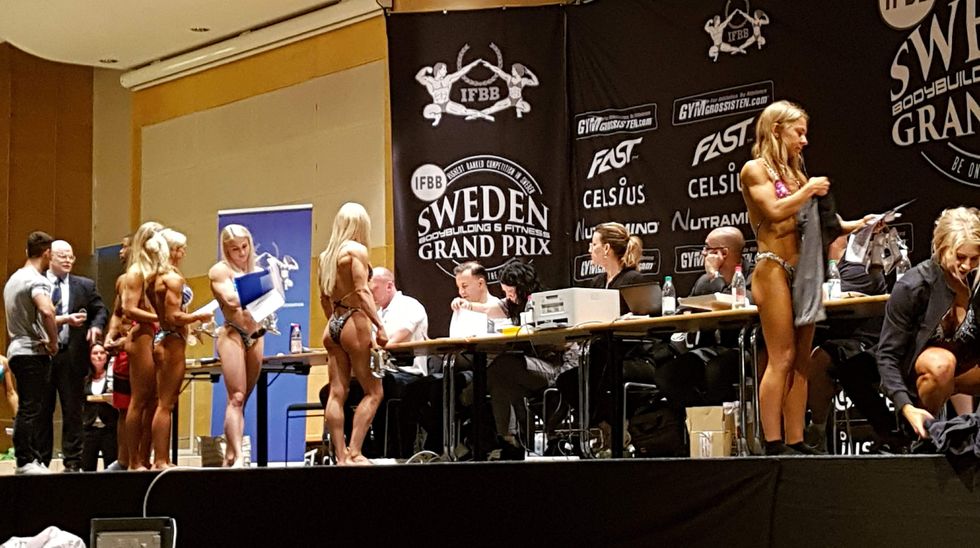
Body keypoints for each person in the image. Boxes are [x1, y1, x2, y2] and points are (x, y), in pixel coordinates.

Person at [740, 100, 873, 455]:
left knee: (801, 359)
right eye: (798, 132)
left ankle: (796, 439)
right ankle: (772, 441)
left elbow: (827, 224)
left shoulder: (798, 176)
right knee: (781, 356)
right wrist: (808, 190)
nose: (804, 140)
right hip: (773, 268)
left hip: (805, 273)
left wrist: (860, 224)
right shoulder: (755, 170)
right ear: (776, 129)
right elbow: (773, 210)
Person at [878, 207, 980, 440]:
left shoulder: (977, 283)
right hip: (926, 376)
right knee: (942, 364)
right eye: (960, 257)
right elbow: (887, 356)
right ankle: (922, 436)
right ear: (942, 248)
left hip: (965, 371)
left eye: (974, 258)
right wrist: (906, 407)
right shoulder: (914, 285)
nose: (966, 266)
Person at [806, 234, 900, 452]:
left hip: (864, 338)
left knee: (825, 361)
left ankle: (816, 432)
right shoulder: (813, 265)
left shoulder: (857, 265)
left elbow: (826, 296)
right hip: (829, 337)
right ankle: (800, 433)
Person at [479, 261, 576, 459]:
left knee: (502, 366)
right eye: (505, 292)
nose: (508, 296)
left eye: (511, 291)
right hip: (530, 366)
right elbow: (490, 309)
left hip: (556, 365)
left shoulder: (546, 302)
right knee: (503, 381)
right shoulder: (510, 306)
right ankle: (510, 439)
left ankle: (513, 439)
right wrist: (466, 305)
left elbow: (563, 342)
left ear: (522, 287)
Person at [318, 202, 387, 465]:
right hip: (354, 320)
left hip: (333, 323)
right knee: (374, 391)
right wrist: (379, 325)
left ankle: (340, 456)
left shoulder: (326, 257)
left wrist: (335, 323)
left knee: (337, 392)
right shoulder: (356, 251)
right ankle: (355, 451)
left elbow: (324, 298)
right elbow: (362, 291)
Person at [40, 239, 108, 472]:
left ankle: (72, 461)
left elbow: (100, 310)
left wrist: (96, 326)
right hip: (44, 353)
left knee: (73, 410)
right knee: (43, 410)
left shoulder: (85, 285)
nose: (68, 260)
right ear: (49, 257)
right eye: (63, 256)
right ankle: (41, 459)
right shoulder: (38, 283)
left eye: (71, 256)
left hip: (72, 353)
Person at [146, 229, 212, 469]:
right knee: (165, 404)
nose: (184, 253)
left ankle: (161, 458)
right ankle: (160, 459)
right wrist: (198, 316)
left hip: (164, 338)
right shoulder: (172, 279)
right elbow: (173, 316)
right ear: (172, 251)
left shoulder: (153, 277)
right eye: (181, 248)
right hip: (171, 340)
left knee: (163, 402)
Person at [209, 224, 266, 468]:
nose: (242, 253)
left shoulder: (257, 269)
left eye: (245, 247)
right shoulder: (220, 271)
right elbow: (231, 300)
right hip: (232, 333)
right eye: (235, 249)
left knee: (244, 399)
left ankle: (231, 455)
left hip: (255, 335)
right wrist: (259, 287)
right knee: (236, 397)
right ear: (226, 249)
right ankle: (239, 457)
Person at [369, 267, 440, 456]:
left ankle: (394, 453)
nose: (371, 294)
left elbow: (392, 342)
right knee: (335, 391)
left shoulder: (410, 306)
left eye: (374, 289)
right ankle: (363, 451)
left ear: (389, 285)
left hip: (409, 373)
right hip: (383, 372)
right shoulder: (377, 313)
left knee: (379, 384)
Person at [3, 231, 59, 475]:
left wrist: (64, 319)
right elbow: (47, 311)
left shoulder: (14, 279)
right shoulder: (37, 280)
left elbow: (29, 316)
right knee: (31, 408)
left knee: (29, 405)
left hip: (16, 348)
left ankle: (31, 457)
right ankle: (25, 460)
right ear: (47, 253)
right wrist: (54, 342)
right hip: (32, 352)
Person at [120, 221, 164, 470]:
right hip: (143, 335)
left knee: (155, 400)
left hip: (158, 334)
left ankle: (147, 456)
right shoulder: (136, 271)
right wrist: (159, 317)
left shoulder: (159, 269)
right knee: (140, 398)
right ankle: (133, 460)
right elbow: (128, 308)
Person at [103, 236, 132, 470]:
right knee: (123, 407)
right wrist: (110, 335)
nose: (120, 252)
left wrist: (128, 340)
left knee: (143, 406)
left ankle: (140, 457)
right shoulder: (123, 280)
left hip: (141, 349)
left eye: (125, 247)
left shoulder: (149, 279)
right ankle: (123, 459)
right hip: (123, 353)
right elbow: (117, 313)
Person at [81, 343, 117, 471]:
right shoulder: (85, 379)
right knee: (87, 467)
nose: (99, 356)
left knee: (111, 466)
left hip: (109, 428)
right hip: (90, 428)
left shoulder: (112, 378)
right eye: (95, 353)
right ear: (89, 356)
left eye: (102, 353)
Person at [449, 261, 504, 334]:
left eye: (464, 286)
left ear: (480, 283)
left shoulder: (499, 307)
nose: (461, 292)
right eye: (458, 287)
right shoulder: (460, 308)